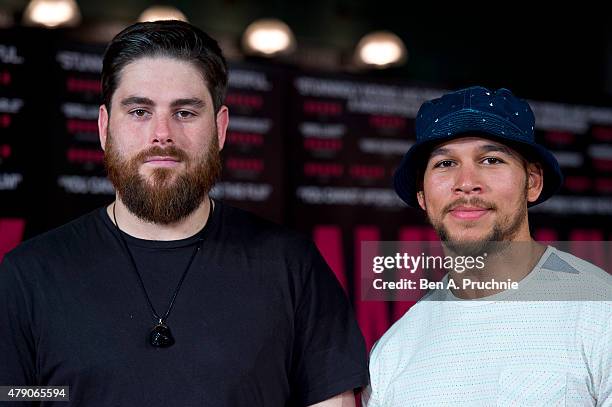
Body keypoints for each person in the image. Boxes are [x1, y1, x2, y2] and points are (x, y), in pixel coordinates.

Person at [0, 20, 368, 406]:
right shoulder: (30, 276)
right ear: (105, 127)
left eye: (186, 113)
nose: (162, 133)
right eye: (140, 111)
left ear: (221, 128)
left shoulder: (291, 266)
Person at [364, 86, 612, 406]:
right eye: (444, 164)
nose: (467, 182)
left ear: (532, 182)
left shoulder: (600, 311)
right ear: (423, 196)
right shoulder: (396, 348)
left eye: (491, 159)